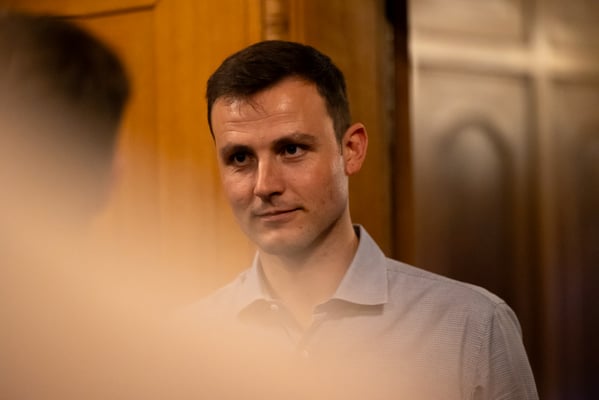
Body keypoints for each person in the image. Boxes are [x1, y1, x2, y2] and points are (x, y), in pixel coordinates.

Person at [195, 40, 539, 399]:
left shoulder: (471, 327)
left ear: (352, 150)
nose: (265, 185)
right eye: (240, 158)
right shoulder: (182, 345)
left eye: (291, 149)